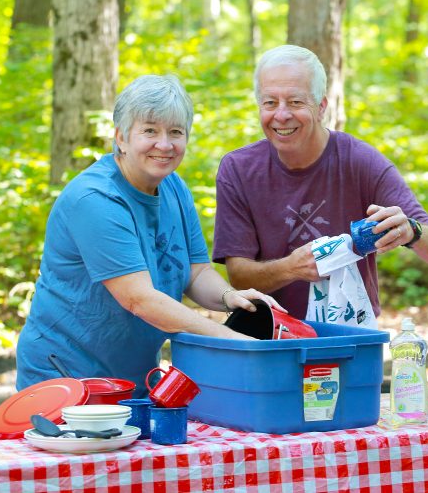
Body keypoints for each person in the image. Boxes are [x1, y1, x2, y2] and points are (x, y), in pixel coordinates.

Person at [17, 75, 281, 396]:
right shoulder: (96, 199)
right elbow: (139, 299)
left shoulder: (173, 187)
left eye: (176, 132)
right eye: (150, 131)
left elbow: (196, 272)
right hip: (67, 376)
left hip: (135, 377)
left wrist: (230, 298)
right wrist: (231, 340)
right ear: (121, 137)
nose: (165, 144)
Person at [212, 45, 428, 320]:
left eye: (295, 102)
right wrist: (291, 268)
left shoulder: (360, 161)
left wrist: (411, 230)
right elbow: (238, 277)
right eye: (269, 102)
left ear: (321, 106)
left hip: (350, 333)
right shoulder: (239, 169)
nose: (281, 115)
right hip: (270, 335)